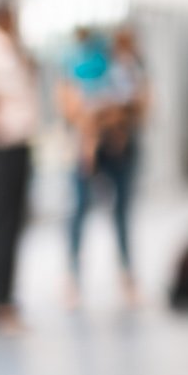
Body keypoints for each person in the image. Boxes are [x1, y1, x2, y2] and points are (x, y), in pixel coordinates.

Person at [57, 25, 147, 309]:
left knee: (121, 213)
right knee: (79, 211)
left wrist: (107, 120)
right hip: (89, 149)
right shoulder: (79, 67)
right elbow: (73, 110)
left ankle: (126, 276)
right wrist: (95, 128)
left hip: (114, 148)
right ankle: (72, 277)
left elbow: (139, 106)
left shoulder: (125, 68)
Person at [0, 0, 36, 334]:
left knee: (9, 223)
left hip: (16, 143)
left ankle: (4, 296)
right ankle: (1, 300)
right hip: (4, 146)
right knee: (4, 224)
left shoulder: (9, 48)